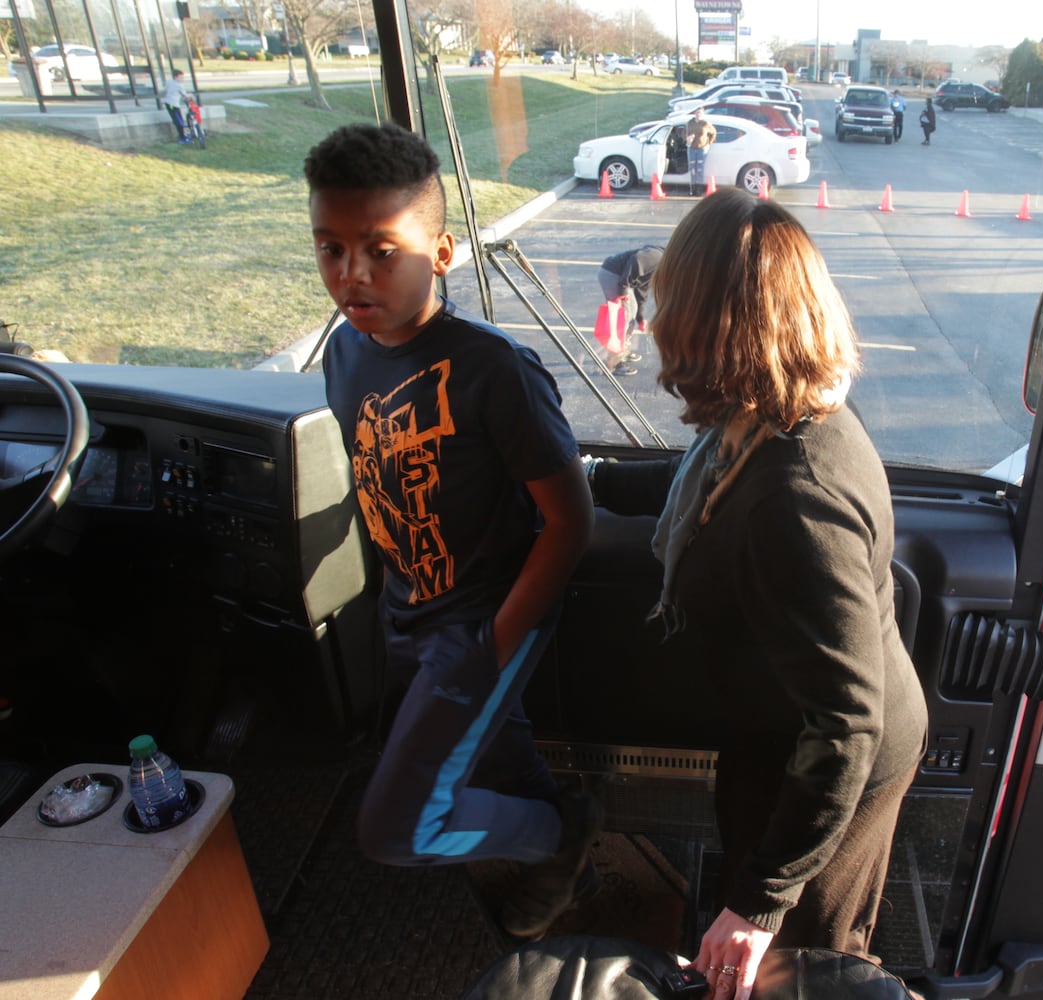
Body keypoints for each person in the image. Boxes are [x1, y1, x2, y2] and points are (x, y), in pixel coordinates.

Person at [587, 190, 927, 1000]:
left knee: (799, 970)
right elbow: (700, 480)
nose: (653, 317)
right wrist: (592, 479)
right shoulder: (767, 419)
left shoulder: (795, 500)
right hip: (776, 734)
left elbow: (846, 724)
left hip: (830, 762)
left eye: (667, 304)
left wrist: (759, 903)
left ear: (709, 330)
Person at [304, 122, 601, 942]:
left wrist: (495, 644)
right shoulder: (345, 353)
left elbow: (567, 521)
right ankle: (562, 853)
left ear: (441, 253)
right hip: (408, 606)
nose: (352, 275)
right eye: (330, 248)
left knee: (398, 829)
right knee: (492, 753)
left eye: (380, 250)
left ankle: (561, 836)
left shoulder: (494, 370)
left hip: (479, 623)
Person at [597, 244, 664, 376]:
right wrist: (623, 290)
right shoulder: (658, 257)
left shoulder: (661, 264)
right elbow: (637, 259)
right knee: (623, 319)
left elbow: (641, 290)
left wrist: (640, 316)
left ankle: (623, 351)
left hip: (621, 278)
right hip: (613, 274)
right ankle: (614, 363)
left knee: (632, 313)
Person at [686, 107, 716, 196]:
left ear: (702, 114)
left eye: (700, 113)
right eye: (697, 112)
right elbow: (684, 133)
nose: (698, 114)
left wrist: (709, 143)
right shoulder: (689, 123)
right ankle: (693, 190)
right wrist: (687, 138)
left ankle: (699, 190)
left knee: (699, 169)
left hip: (702, 149)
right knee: (692, 169)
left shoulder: (706, 124)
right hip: (691, 148)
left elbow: (713, 133)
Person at [162, 69, 190, 144]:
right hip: (173, 105)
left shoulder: (169, 82)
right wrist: (190, 95)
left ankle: (183, 135)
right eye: (180, 77)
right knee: (179, 121)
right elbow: (185, 95)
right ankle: (182, 138)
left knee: (178, 120)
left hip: (168, 103)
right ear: (175, 77)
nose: (182, 79)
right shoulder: (179, 85)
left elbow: (165, 90)